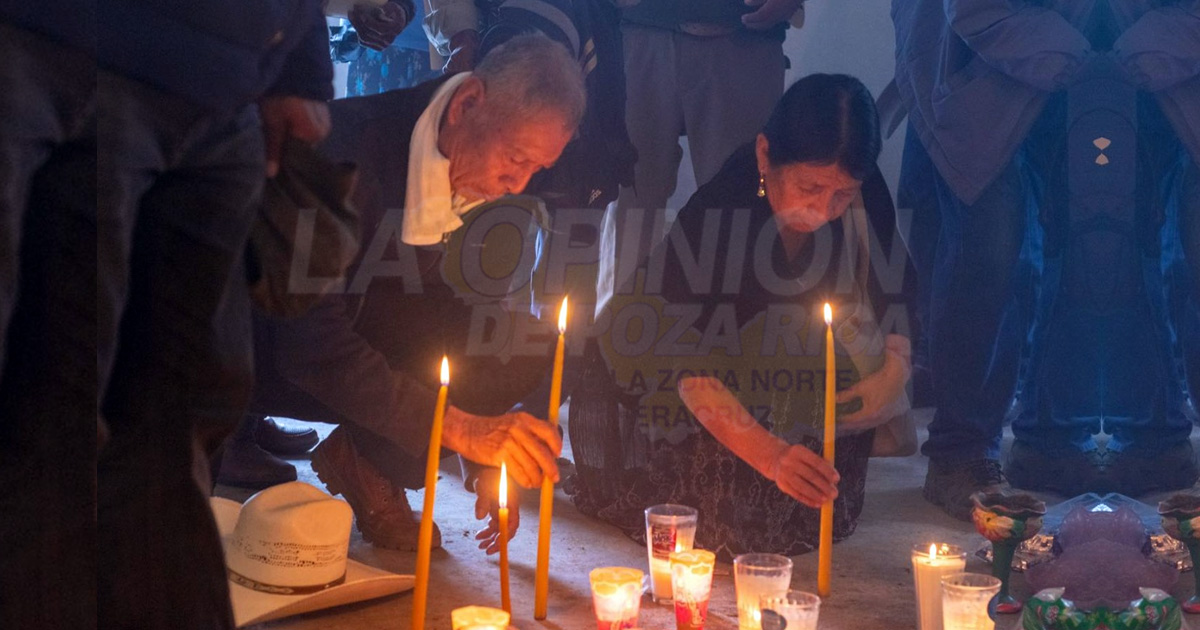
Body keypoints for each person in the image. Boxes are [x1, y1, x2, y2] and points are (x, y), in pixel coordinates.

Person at [247, 34, 585, 552]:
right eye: (516, 158)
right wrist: (460, 429)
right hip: (256, 351)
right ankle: (362, 458)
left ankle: (364, 454)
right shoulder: (345, 157)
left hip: (346, 323)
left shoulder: (451, 143)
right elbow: (309, 347)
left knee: (525, 346)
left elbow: (419, 297)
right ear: (468, 103)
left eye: (535, 169)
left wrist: (485, 453)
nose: (518, 185)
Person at [566, 74, 917, 560]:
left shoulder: (859, 187)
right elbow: (688, 371)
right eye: (809, 187)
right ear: (764, 155)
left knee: (811, 473)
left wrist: (893, 373)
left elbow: (892, 288)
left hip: (779, 363)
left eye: (840, 195)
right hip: (678, 377)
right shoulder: (720, 213)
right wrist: (771, 456)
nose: (823, 210)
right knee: (725, 508)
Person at [89, 1, 334, 629]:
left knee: (198, 391)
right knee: (70, 392)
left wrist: (302, 70)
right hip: (84, 61)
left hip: (227, 94)